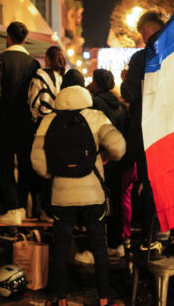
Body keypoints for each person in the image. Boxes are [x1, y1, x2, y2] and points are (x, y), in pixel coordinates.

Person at [31, 85, 126, 306]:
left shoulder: (48, 120)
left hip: (60, 198)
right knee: (99, 246)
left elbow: (37, 162)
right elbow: (119, 147)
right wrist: (106, 157)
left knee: (61, 248)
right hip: (93, 195)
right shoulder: (96, 117)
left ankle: (61, 299)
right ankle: (103, 299)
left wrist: (54, 173)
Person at [120, 10, 166, 256]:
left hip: (147, 129)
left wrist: (125, 79)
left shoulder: (141, 58)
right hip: (173, 126)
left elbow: (129, 95)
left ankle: (152, 234)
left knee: (148, 182)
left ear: (147, 30)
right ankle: (171, 230)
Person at [0, 22, 40, 225]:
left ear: (8, 37)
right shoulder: (32, 63)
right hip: (27, 122)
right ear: (25, 39)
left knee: (6, 167)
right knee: (26, 165)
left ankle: (13, 207)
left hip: (5, 122)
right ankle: (22, 207)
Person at [88, 69, 128, 258]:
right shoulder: (120, 106)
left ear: (96, 83)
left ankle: (96, 245)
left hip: (100, 160)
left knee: (97, 202)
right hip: (117, 159)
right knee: (117, 201)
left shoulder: (95, 103)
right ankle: (116, 243)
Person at [28, 45, 66, 222]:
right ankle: (54, 209)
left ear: (47, 59)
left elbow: (33, 102)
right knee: (55, 168)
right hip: (60, 127)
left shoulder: (40, 75)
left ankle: (42, 209)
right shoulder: (64, 77)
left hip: (43, 125)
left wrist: (35, 119)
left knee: (40, 167)